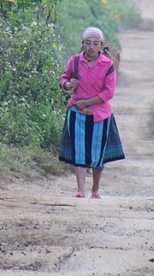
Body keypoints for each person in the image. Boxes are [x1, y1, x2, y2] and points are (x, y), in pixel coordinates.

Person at [58, 27, 125, 198]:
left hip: (100, 114)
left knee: (97, 153)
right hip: (76, 112)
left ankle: (95, 190)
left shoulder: (108, 65)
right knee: (79, 150)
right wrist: (67, 85)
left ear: (101, 46)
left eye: (95, 44)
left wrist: (86, 102)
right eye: (88, 43)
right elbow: (64, 78)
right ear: (83, 44)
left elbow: (108, 93)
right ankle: (80, 189)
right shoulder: (74, 61)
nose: (91, 47)